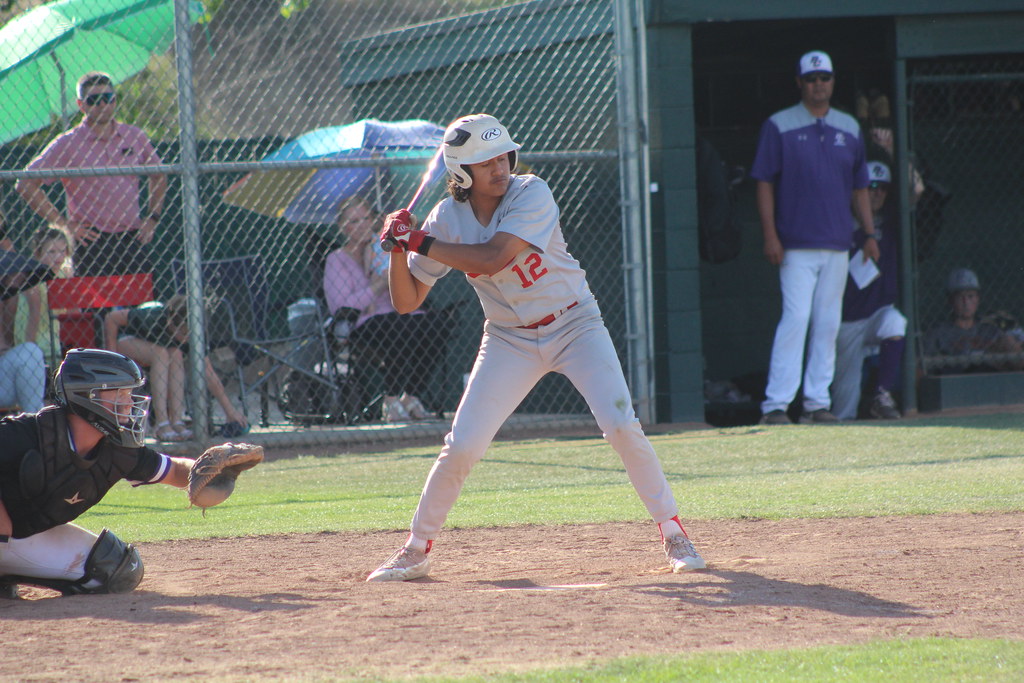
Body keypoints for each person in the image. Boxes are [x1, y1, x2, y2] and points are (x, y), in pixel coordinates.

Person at [367, 113, 705, 582]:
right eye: (485, 162)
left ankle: (674, 532)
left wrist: (417, 239)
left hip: (575, 325)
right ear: (461, 173)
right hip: (508, 338)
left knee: (621, 425)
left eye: (503, 155)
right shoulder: (446, 218)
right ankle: (416, 548)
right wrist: (397, 250)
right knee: (461, 445)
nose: (500, 167)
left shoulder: (531, 191)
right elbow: (406, 302)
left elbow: (494, 256)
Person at [0, 349, 195, 597]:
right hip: (4, 534)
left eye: (129, 393)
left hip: (19, 533)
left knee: (113, 568)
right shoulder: (28, 433)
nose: (128, 402)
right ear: (86, 396)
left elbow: (175, 470)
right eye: (120, 393)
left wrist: (209, 470)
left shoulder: (119, 450)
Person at [751, 50, 877, 425]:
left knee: (827, 322)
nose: (818, 84)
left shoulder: (849, 127)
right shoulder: (780, 125)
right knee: (797, 317)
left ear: (833, 81)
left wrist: (869, 233)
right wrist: (770, 234)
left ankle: (816, 403)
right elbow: (763, 182)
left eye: (824, 78)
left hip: (838, 243)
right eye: (811, 79)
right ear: (799, 83)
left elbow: (860, 187)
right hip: (795, 245)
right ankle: (776, 405)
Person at [15, 71, 167, 277]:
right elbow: (25, 184)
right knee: (94, 308)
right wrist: (65, 225)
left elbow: (159, 174)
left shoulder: (134, 136)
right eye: (94, 100)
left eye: (108, 98)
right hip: (90, 242)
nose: (103, 105)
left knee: (143, 306)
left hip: (132, 238)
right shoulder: (68, 143)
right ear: (81, 105)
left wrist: (152, 218)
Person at [322, 195, 440, 422]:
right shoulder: (336, 259)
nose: (363, 225)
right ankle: (391, 398)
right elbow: (341, 306)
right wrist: (377, 285)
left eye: (366, 218)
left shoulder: (382, 249)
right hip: (363, 324)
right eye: (354, 221)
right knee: (397, 327)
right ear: (343, 227)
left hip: (399, 313)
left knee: (435, 324)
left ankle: (410, 396)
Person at [103, 295, 249, 442]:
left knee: (176, 353)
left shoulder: (194, 332)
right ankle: (161, 423)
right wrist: (113, 358)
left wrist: (230, 412)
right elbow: (112, 318)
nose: (186, 339)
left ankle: (176, 421)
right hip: (127, 340)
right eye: (183, 333)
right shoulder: (154, 316)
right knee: (161, 354)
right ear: (171, 321)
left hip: (158, 348)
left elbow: (208, 372)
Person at [831, 162, 906, 420]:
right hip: (846, 321)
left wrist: (894, 153)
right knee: (844, 406)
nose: (877, 193)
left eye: (883, 188)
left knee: (895, 323)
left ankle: (881, 394)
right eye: (871, 186)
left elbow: (916, 191)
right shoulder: (839, 222)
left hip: (877, 314)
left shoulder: (893, 223)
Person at [921, 268, 1024, 373]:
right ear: (951, 300)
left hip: (993, 377)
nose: (966, 302)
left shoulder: (989, 328)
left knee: (1008, 341)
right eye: (960, 297)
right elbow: (921, 367)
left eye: (970, 296)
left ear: (978, 299)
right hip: (961, 379)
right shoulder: (939, 333)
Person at [15, 228, 73, 370]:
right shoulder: (33, 277)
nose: (58, 257)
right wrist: (30, 348)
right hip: (35, 335)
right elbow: (35, 313)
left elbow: (73, 311)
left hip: (57, 335)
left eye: (62, 251)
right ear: (38, 253)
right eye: (52, 252)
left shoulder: (63, 276)